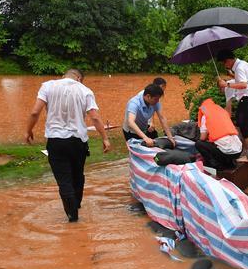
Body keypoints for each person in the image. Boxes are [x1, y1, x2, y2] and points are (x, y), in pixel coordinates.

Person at [25, 69, 111, 222]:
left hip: (56, 141)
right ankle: (76, 204)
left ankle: (72, 216)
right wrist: (105, 138)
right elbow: (95, 117)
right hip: (78, 142)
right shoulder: (85, 90)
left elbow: (34, 112)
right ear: (79, 78)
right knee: (78, 175)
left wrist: (28, 131)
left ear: (64, 75)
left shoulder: (48, 86)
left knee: (64, 179)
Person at [218, 50, 248, 162]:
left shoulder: (240, 67)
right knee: (245, 126)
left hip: (247, 99)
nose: (224, 65)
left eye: (224, 63)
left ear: (228, 60)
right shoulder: (243, 64)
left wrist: (226, 84)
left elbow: (243, 84)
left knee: (245, 127)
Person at [194, 98, 242, 171]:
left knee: (199, 144)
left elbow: (202, 138)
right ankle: (230, 162)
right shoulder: (222, 111)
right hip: (238, 151)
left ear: (201, 107)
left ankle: (216, 165)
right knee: (220, 143)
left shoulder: (205, 116)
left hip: (227, 152)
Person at [122, 83, 175, 147]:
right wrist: (145, 138)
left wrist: (170, 137)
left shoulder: (155, 101)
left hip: (143, 128)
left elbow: (162, 118)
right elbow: (131, 122)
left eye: (159, 99)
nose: (158, 101)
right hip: (131, 131)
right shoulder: (134, 103)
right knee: (137, 150)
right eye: (156, 99)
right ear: (148, 96)